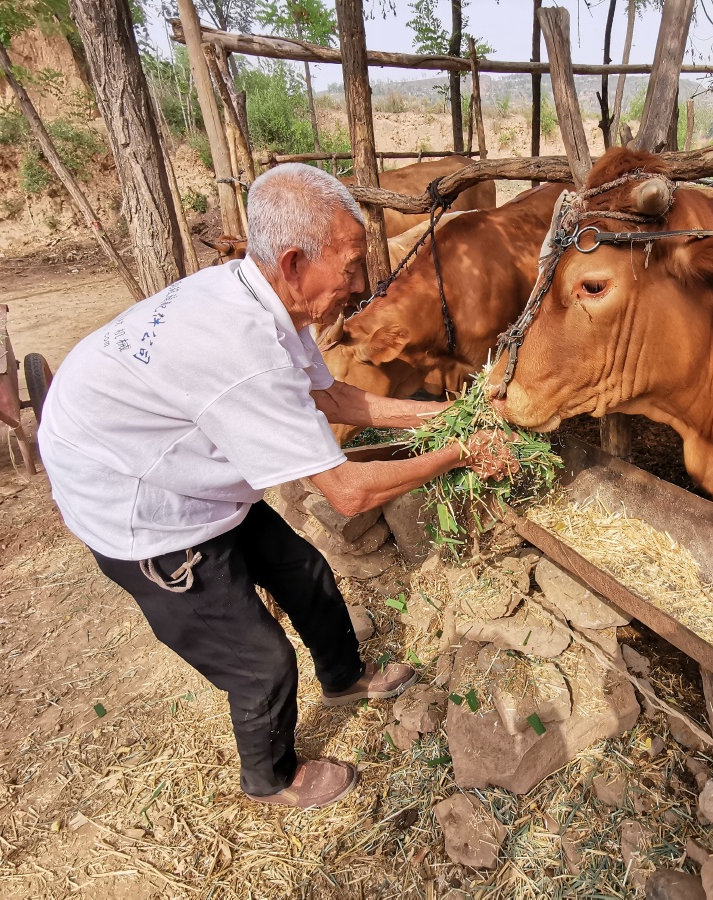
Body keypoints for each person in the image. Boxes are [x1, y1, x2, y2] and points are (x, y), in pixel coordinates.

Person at [37, 164, 509, 808]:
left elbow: (334, 395)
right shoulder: (244, 352)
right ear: (292, 263)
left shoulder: (262, 297)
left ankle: (345, 676)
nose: (362, 285)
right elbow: (348, 493)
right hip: (137, 504)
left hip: (176, 466)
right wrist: (460, 451)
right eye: (350, 268)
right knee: (261, 664)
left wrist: (450, 414)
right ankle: (271, 778)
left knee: (305, 571)